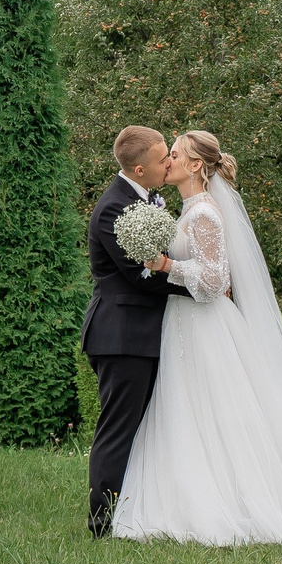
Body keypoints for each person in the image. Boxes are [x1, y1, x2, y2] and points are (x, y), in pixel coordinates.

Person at [111, 131, 282, 546]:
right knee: (192, 412)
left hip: (205, 324)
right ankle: (189, 497)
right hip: (185, 323)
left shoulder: (203, 215)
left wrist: (164, 266)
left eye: (175, 154)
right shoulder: (189, 210)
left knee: (218, 414)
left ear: (196, 165)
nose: (169, 161)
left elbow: (216, 280)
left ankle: (230, 503)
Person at [79, 126, 193, 537]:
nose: (170, 162)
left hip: (142, 333)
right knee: (119, 429)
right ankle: (101, 523)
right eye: (164, 158)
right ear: (140, 168)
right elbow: (140, 276)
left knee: (147, 428)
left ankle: (138, 514)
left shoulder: (148, 198)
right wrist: (200, 287)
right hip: (121, 335)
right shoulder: (113, 209)